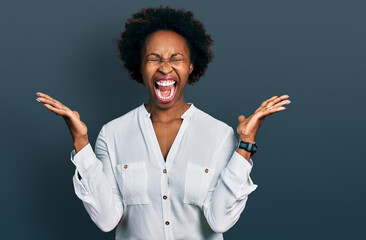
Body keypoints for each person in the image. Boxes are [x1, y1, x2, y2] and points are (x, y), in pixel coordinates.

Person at [36, 6, 291, 240]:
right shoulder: (112, 134)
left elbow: (220, 221)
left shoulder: (219, 135)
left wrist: (245, 145)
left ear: (191, 65)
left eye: (176, 58)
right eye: (154, 58)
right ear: (141, 66)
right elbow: (106, 220)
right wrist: (81, 144)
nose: (165, 68)